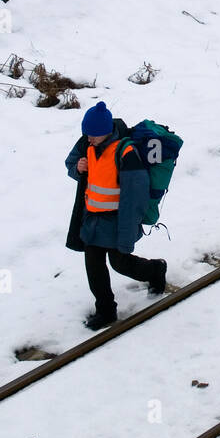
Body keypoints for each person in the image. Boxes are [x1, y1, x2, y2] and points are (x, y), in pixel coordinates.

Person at [64, 101, 167, 330]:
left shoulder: (126, 153)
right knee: (94, 266)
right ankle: (106, 311)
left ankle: (155, 270)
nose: (87, 139)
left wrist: (127, 232)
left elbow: (135, 196)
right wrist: (78, 168)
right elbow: (70, 163)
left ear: (105, 132)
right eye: (86, 134)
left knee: (121, 263)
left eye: (92, 135)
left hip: (117, 220)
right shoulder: (87, 144)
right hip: (92, 220)